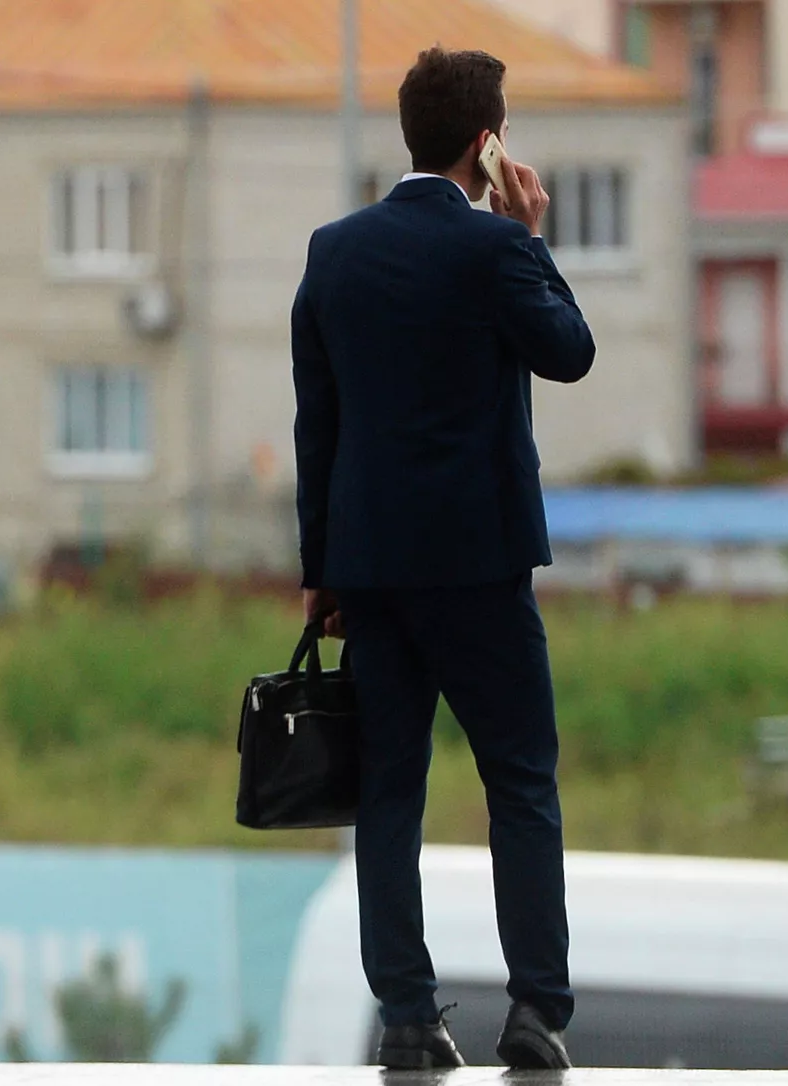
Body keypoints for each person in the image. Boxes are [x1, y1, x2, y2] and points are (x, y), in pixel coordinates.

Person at [290, 46, 595, 1071]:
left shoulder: (335, 251)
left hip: (373, 569)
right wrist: (531, 238)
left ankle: (409, 1018)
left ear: (413, 135)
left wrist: (322, 571)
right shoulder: (496, 248)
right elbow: (570, 351)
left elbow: (318, 425)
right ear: (488, 142)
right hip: (482, 566)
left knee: (390, 792)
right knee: (520, 782)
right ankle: (536, 1012)